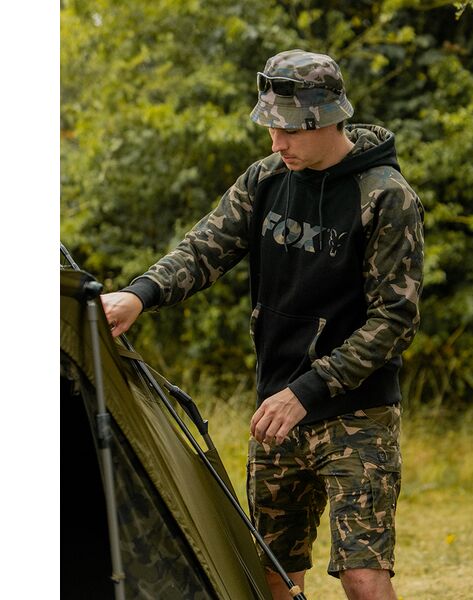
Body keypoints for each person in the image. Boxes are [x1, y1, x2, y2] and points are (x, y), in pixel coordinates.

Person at [101, 49, 424, 600]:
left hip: (357, 414)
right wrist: (139, 295)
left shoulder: (385, 197)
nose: (277, 143)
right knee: (274, 574)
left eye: (290, 130)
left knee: (363, 575)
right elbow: (203, 249)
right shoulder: (265, 179)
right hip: (274, 411)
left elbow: (394, 319)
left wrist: (308, 391)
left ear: (328, 119)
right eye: (271, 128)